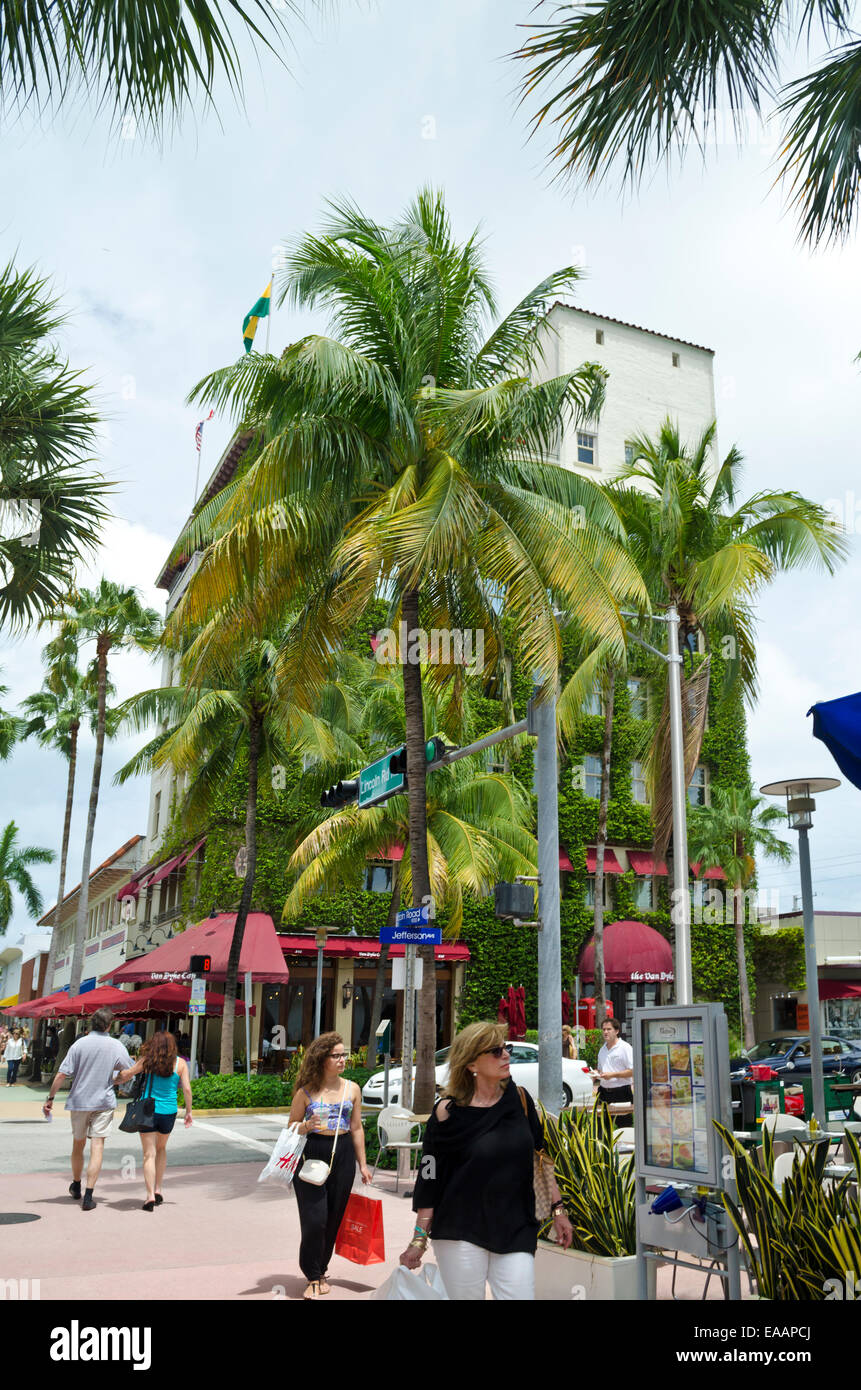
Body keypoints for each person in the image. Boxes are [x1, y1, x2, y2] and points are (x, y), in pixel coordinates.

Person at [400, 1020, 573, 1300]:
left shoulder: (520, 1099)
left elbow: (539, 1158)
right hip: (460, 1230)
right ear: (471, 1065)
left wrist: (558, 1210)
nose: (505, 1055)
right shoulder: (446, 1113)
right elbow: (429, 1177)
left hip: (516, 1226)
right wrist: (419, 1238)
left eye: (506, 1048)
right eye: (495, 1051)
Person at [287, 1031, 372, 1299]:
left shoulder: (352, 1089)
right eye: (336, 1055)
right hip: (311, 1153)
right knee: (314, 1220)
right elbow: (290, 1126)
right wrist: (305, 1126)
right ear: (322, 1059)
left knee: (333, 1217)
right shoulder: (305, 1092)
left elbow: (356, 1128)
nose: (342, 1059)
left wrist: (363, 1164)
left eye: (343, 1054)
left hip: (343, 1154)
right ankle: (311, 1274)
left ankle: (321, 1269)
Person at [42, 1007, 133, 1210]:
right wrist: (116, 1080)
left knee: (78, 1144)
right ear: (109, 1026)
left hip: (80, 1101)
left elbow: (61, 1074)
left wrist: (50, 1098)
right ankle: (89, 1196)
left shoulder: (79, 1045)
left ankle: (76, 1185)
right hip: (104, 1102)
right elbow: (129, 1070)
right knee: (97, 1147)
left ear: (92, 1024)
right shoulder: (115, 1045)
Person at [118, 1031, 193, 1211]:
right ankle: (159, 1189)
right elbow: (187, 1089)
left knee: (148, 1154)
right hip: (168, 1112)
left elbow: (127, 1075)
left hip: (147, 1110)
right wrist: (189, 1112)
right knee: (161, 1149)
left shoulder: (147, 1061)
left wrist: (113, 1078)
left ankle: (150, 1195)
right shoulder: (180, 1063)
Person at [594, 1017, 634, 1121]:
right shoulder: (602, 1049)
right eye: (603, 1029)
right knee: (601, 1128)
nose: (605, 1032)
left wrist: (612, 1075)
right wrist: (594, 1074)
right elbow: (600, 1070)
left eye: (609, 1029)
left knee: (623, 1126)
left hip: (621, 1092)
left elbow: (633, 1071)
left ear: (616, 1031)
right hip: (603, 1093)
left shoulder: (625, 1047)